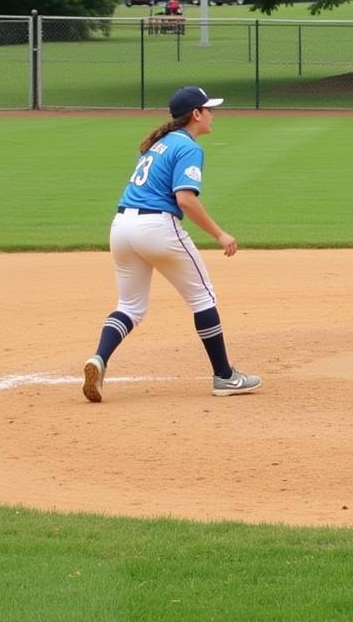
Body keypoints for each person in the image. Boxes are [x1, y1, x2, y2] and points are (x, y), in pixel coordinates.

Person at [82, 86, 261, 402]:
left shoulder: (158, 144)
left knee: (130, 306)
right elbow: (185, 200)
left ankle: (99, 359)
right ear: (195, 114)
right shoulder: (189, 147)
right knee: (202, 296)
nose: (212, 114)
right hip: (156, 226)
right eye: (209, 109)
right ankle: (224, 376)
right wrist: (220, 234)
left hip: (122, 226)